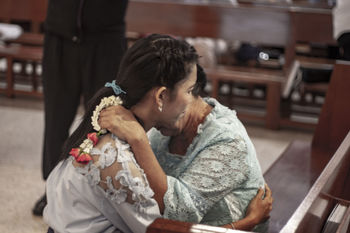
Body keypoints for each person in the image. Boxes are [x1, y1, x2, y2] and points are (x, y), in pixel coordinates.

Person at [44, 34, 272, 233]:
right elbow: (164, 229)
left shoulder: (103, 121)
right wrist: (246, 224)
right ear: (161, 96)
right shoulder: (118, 153)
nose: (196, 100)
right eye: (190, 90)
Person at [99, 63, 271, 232]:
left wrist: (139, 140)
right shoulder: (163, 128)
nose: (150, 123)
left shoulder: (228, 140)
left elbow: (177, 215)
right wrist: (247, 223)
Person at [33, 0, 129, 216]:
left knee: (102, 120)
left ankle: (96, 190)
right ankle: (52, 188)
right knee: (56, 119)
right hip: (60, 36)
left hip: (105, 39)